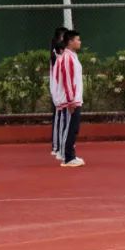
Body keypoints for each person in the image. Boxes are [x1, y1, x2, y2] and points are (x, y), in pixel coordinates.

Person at [54, 29, 85, 168]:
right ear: (70, 42)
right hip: (70, 101)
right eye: (77, 39)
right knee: (69, 128)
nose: (80, 42)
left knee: (73, 128)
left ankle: (70, 154)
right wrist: (71, 100)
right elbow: (67, 80)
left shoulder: (72, 56)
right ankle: (68, 157)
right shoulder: (67, 58)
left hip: (74, 99)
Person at [49, 26, 68, 161]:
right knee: (58, 116)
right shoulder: (56, 54)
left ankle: (63, 145)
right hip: (58, 90)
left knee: (65, 118)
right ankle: (56, 147)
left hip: (65, 89)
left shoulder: (66, 54)